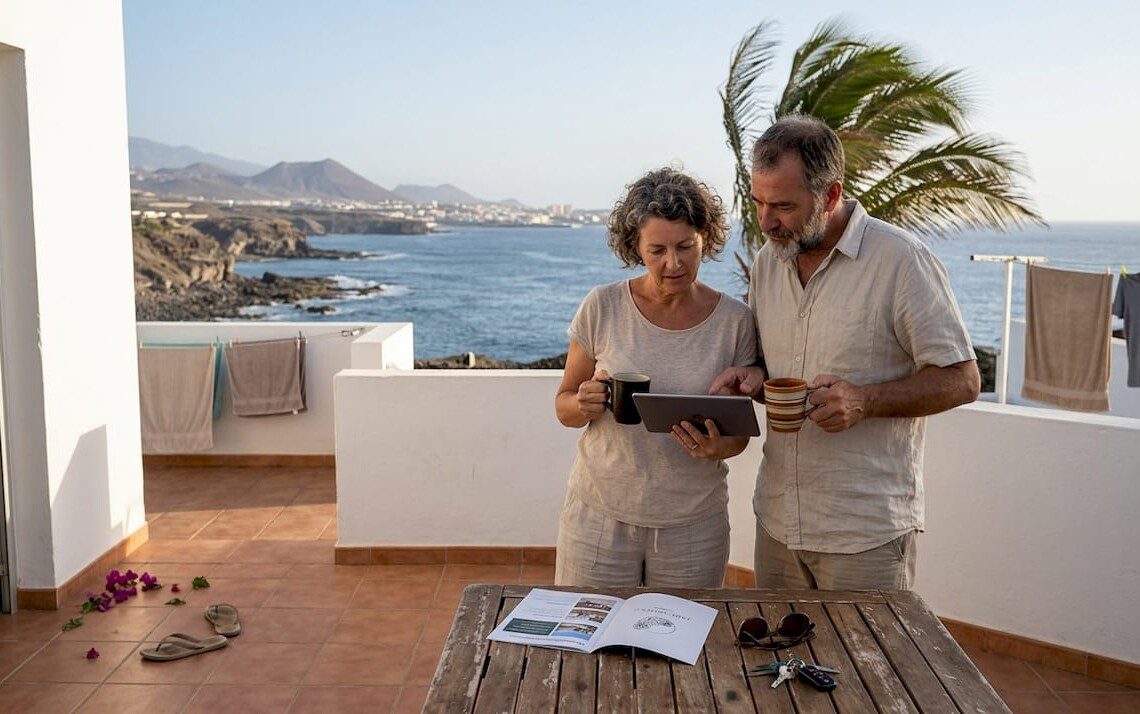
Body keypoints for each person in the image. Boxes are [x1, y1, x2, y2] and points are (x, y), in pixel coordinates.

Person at [711, 116, 980, 590]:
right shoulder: (768, 262)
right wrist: (753, 378)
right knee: (777, 664)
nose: (766, 221)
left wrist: (864, 401)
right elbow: (774, 366)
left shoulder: (901, 261)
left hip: (864, 534)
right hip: (777, 523)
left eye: (783, 206)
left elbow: (963, 378)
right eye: (758, 203)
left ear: (831, 196)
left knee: (866, 667)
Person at [554, 167, 758, 588]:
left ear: (707, 238)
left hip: (692, 525)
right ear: (635, 248)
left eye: (686, 246)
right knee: (587, 648)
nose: (673, 263)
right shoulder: (602, 306)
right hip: (598, 518)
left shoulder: (735, 321)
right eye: (657, 250)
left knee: (683, 651)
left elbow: (738, 436)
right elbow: (564, 407)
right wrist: (583, 403)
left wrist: (719, 446)